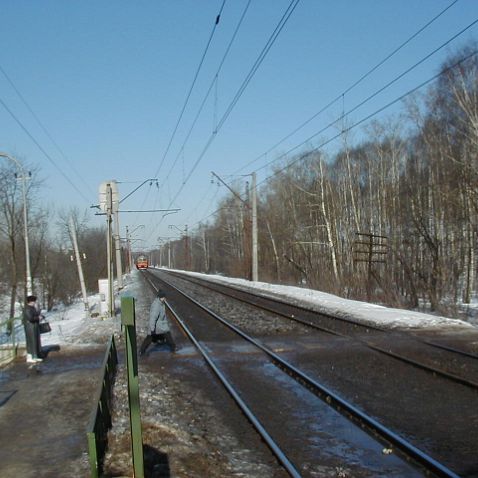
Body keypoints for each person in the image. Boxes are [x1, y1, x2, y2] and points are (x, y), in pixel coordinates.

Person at [23, 295, 43, 363]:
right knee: (31, 341)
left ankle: (35, 356)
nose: (34, 302)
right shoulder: (27, 308)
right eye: (34, 301)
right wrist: (38, 318)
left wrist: (39, 313)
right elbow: (30, 318)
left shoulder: (32, 308)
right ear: (30, 301)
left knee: (35, 341)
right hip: (30, 327)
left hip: (33, 326)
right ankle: (30, 356)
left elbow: (35, 314)